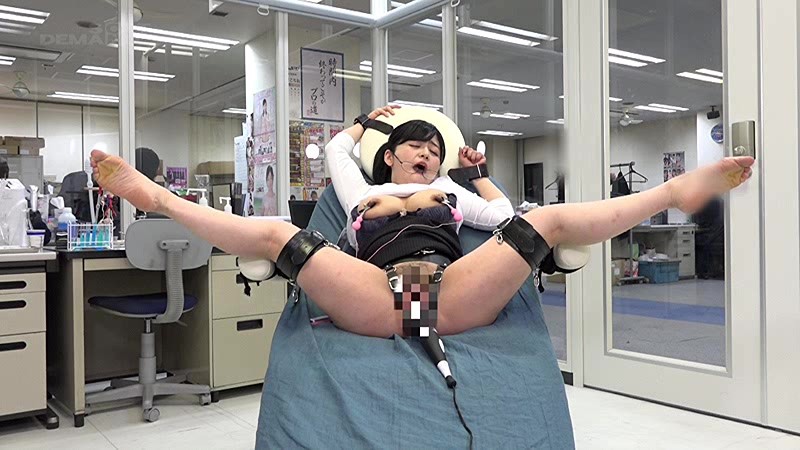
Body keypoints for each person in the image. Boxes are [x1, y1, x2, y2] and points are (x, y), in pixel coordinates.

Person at [90, 105, 753, 441]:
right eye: (415, 144)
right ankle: (158, 199)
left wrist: (477, 174)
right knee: (275, 233)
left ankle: (673, 193)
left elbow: (506, 221)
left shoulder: (453, 194)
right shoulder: (359, 193)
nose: (426, 153)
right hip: (377, 298)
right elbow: (336, 151)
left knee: (545, 219)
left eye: (434, 149)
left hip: (450, 295)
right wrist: (364, 122)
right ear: (390, 156)